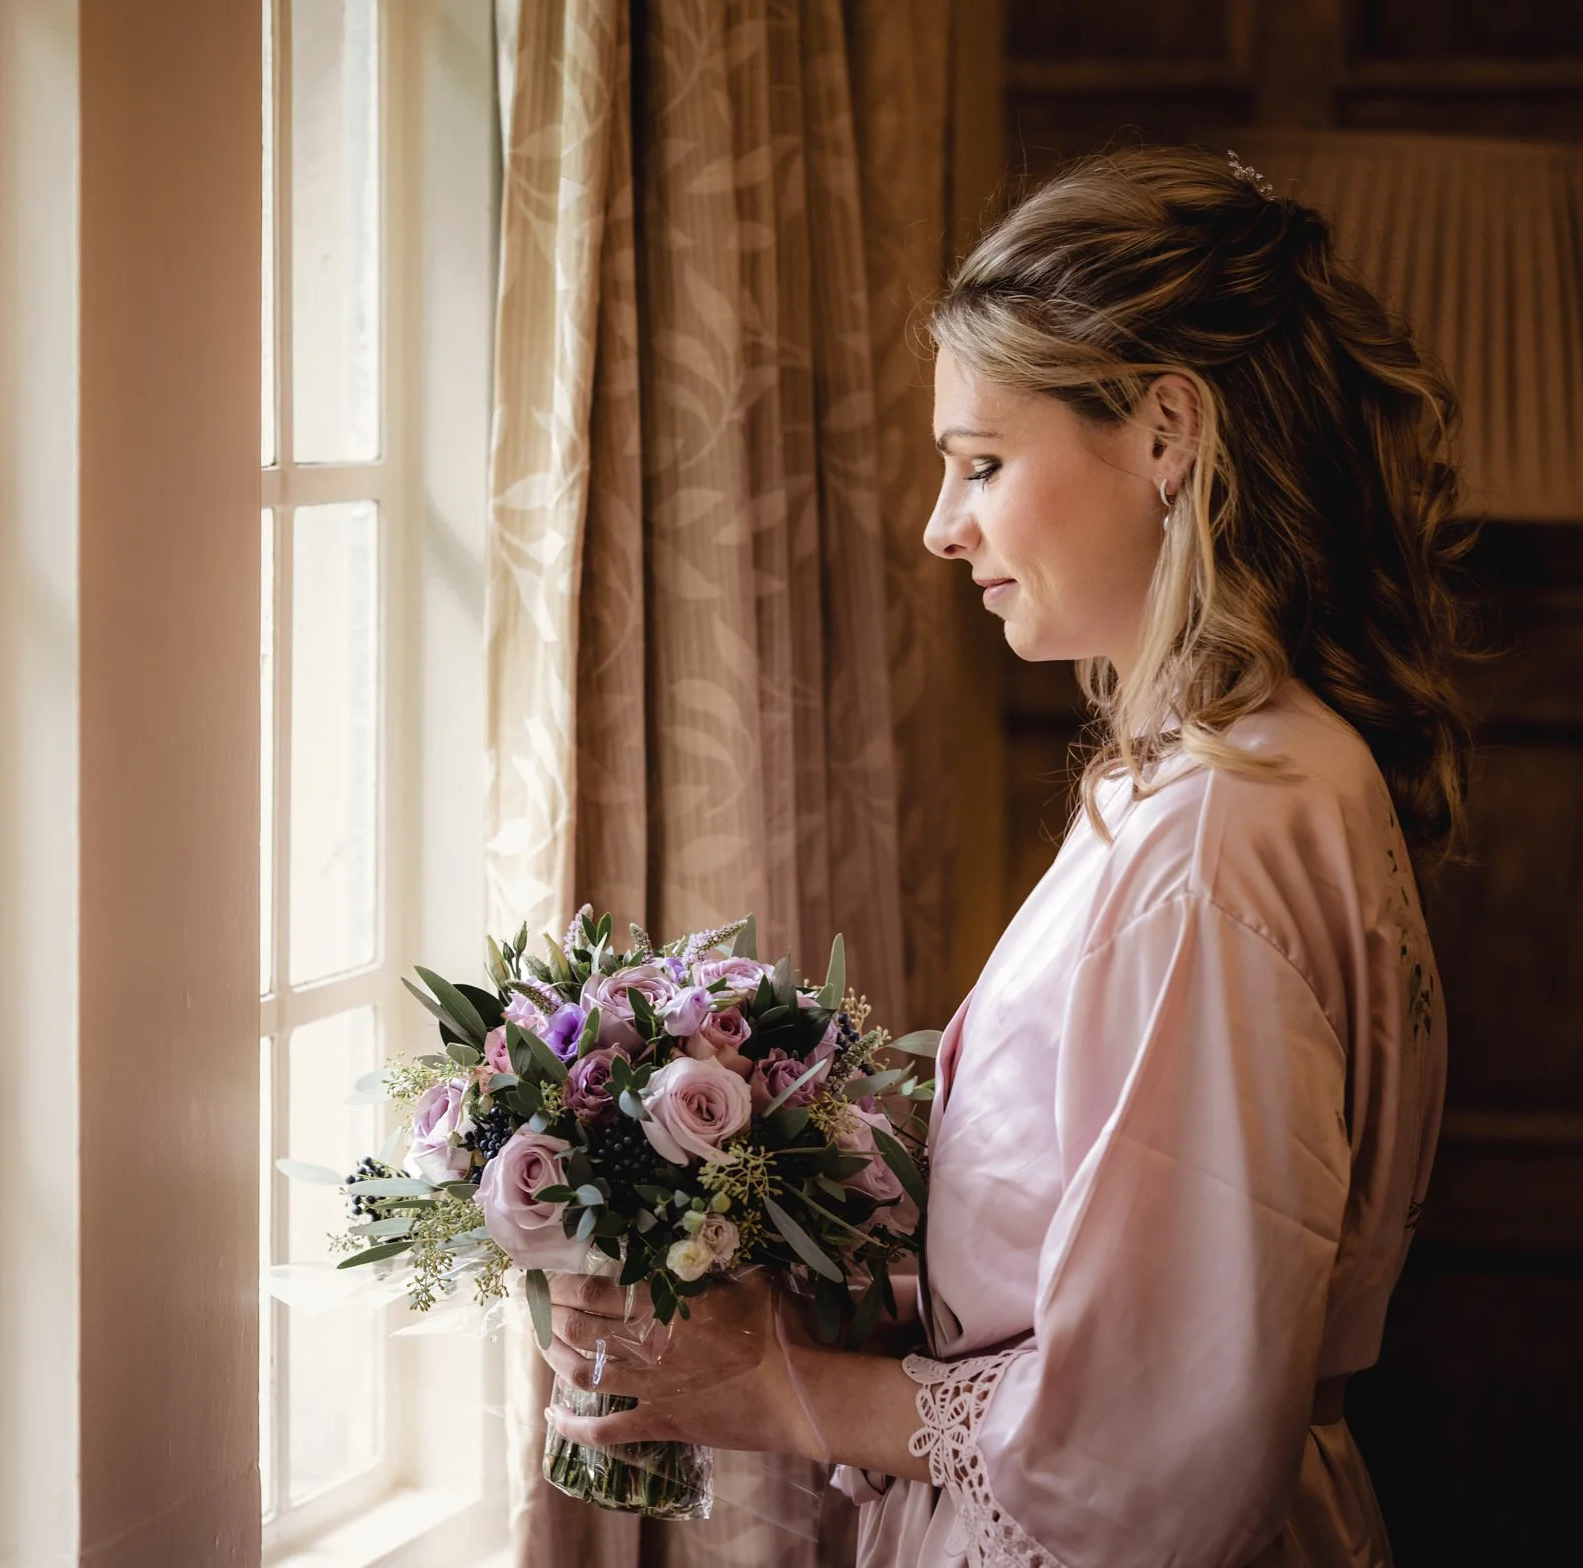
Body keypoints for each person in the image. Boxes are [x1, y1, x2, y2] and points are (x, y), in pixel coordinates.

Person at [539, 144, 1472, 1567]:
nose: (938, 524)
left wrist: (773, 1390)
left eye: (981, 462)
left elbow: (1146, 1444)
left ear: (1168, 431)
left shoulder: (1215, 834)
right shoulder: (1259, 767)